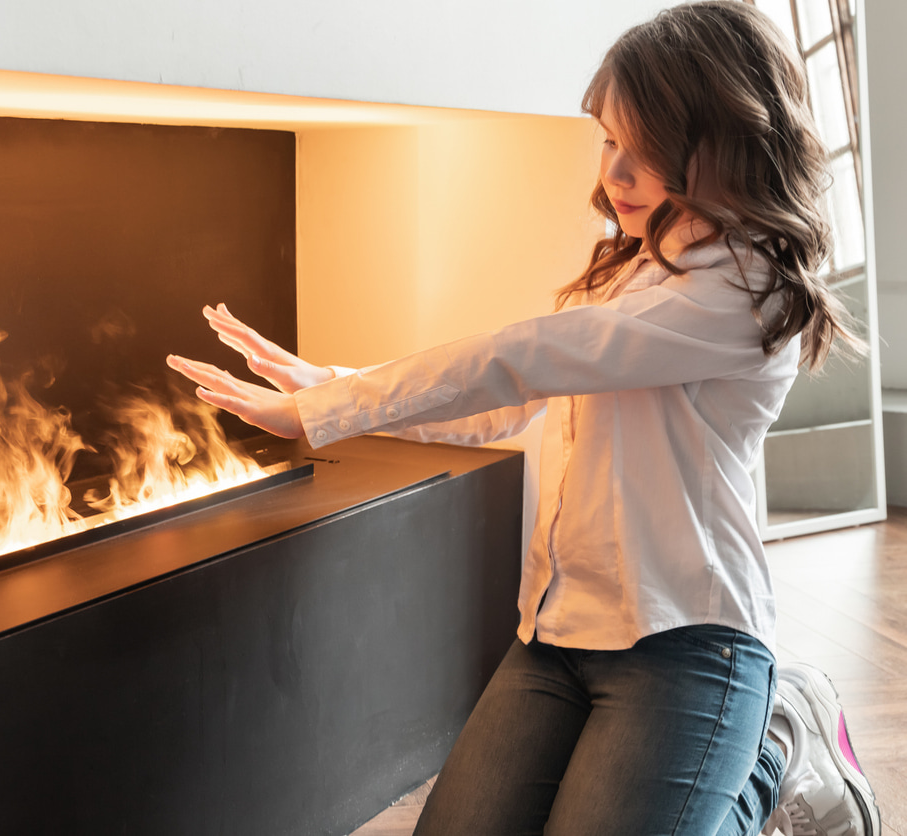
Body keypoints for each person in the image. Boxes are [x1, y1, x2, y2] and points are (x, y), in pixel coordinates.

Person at [168, 2, 882, 834]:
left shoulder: (738, 293)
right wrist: (329, 385)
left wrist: (321, 410)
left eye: (641, 149)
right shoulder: (635, 276)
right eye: (609, 141)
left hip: (689, 647)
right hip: (556, 633)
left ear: (718, 145)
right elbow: (511, 400)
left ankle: (773, 760)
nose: (613, 173)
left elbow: (524, 355)